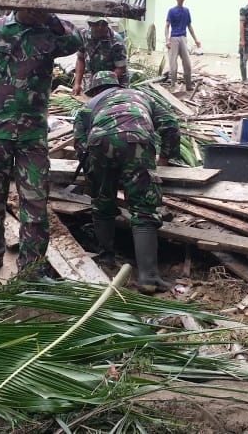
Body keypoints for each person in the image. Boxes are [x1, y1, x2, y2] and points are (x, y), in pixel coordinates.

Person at [0, 0, 84, 278]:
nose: (35, 14)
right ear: (18, 2)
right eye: (32, 7)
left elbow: (77, 40)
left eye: (41, 8)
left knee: (35, 202)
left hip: (32, 134)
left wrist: (51, 15)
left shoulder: (50, 33)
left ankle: (31, 269)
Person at [73, 71, 180, 292]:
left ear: (94, 90)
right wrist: (163, 159)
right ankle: (148, 277)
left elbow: (80, 143)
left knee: (102, 204)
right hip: (136, 139)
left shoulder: (88, 106)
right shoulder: (140, 95)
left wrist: (96, 172)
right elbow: (170, 125)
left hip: (98, 142)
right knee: (143, 208)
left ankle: (106, 260)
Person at [72, 16, 128, 96]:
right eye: (97, 24)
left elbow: (121, 67)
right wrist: (77, 83)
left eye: (104, 24)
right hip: (95, 78)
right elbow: (80, 59)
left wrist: (105, 85)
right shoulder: (84, 35)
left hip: (115, 80)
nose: (100, 27)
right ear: (90, 24)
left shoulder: (116, 40)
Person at [164, 0, 200, 91]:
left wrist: (196, 39)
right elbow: (167, 26)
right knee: (173, 64)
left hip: (183, 38)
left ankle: (188, 85)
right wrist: (167, 40)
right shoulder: (171, 11)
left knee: (187, 63)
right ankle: (173, 85)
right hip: (174, 38)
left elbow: (189, 26)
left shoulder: (186, 11)